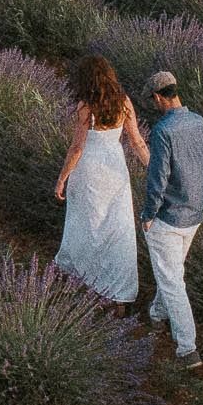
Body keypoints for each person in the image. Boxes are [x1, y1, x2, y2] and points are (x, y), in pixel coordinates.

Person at [51, 54, 149, 303]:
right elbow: (137, 142)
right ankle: (118, 290)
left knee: (85, 223)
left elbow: (77, 148)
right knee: (117, 227)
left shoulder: (86, 106)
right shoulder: (124, 102)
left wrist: (62, 178)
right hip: (115, 168)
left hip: (89, 170)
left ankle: (84, 276)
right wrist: (154, 168)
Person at [138, 69, 203, 369]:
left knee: (173, 282)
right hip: (195, 212)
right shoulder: (198, 121)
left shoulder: (162, 130)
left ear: (158, 97)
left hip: (169, 216)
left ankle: (187, 350)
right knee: (171, 271)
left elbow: (158, 180)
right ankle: (157, 314)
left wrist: (148, 214)